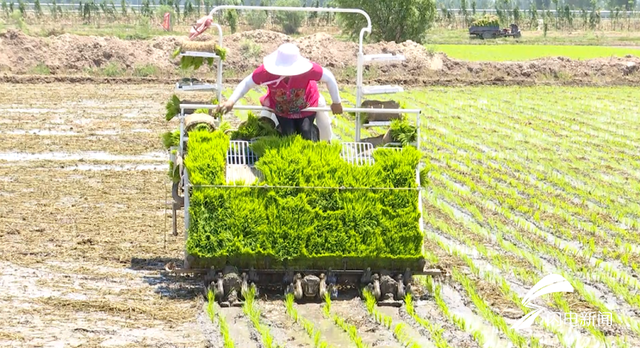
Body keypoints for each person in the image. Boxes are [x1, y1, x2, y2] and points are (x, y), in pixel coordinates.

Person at [217, 43, 343, 142]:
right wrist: (231, 101)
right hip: (282, 108)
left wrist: (336, 102)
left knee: (305, 131)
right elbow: (247, 83)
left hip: (306, 106)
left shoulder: (308, 70)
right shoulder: (266, 72)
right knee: (288, 133)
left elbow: (329, 77)